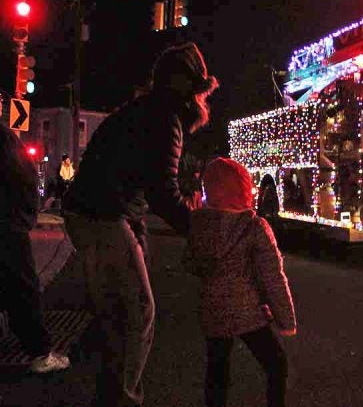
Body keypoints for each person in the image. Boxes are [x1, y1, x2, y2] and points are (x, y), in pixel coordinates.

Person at [62, 42, 219, 407]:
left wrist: (139, 231)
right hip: (101, 215)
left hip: (98, 213)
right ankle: (123, 399)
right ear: (188, 86)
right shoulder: (166, 118)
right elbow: (162, 192)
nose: (201, 99)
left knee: (119, 315)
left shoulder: (149, 111)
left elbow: (138, 180)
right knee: (139, 312)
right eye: (199, 89)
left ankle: (111, 394)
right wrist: (200, 233)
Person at [183, 157, 296, 407]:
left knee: (217, 369)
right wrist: (286, 321)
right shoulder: (254, 226)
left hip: (213, 313)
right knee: (276, 364)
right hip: (248, 313)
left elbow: (190, 264)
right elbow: (272, 278)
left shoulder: (198, 224)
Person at [0, 122, 71, 373]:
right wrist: (25, 217)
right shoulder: (5, 140)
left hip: (9, 218)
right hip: (8, 222)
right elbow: (22, 176)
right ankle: (40, 352)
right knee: (22, 287)